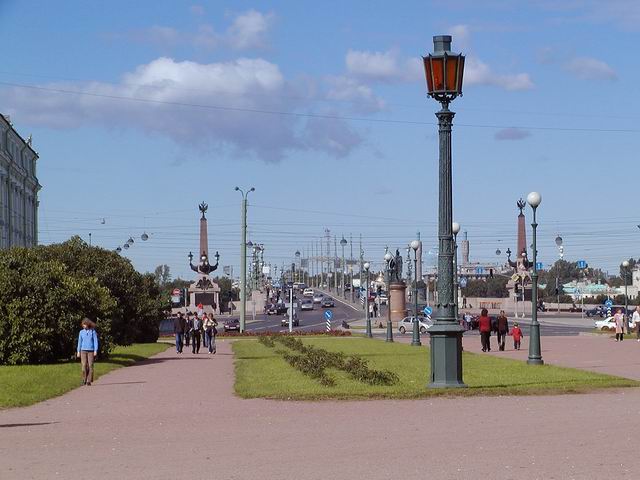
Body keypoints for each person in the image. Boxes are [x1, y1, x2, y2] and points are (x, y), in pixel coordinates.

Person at [77, 318, 98, 386]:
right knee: (84, 366)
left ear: (88, 324)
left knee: (90, 365)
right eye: (83, 324)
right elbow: (79, 342)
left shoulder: (93, 332)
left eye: (84, 324)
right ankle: (84, 379)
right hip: (83, 351)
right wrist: (78, 351)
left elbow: (95, 341)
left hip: (91, 351)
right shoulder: (81, 332)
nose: (83, 325)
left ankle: (89, 380)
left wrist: (95, 350)